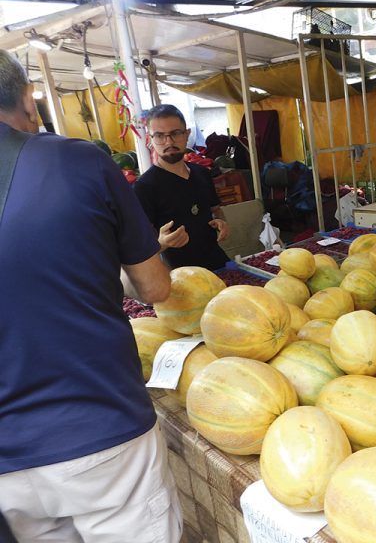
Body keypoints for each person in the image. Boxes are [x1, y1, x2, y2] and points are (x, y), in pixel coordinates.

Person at [0, 49, 182, 542]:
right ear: (28, 100)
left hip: (7, 469)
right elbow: (155, 288)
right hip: (102, 432)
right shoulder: (78, 161)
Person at [133, 104, 231, 271]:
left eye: (176, 133)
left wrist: (222, 222)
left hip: (218, 263)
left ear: (187, 134)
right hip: (178, 274)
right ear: (150, 140)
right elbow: (139, 249)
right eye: (159, 135)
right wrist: (162, 243)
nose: (169, 141)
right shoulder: (144, 187)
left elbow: (216, 210)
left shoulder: (202, 173)